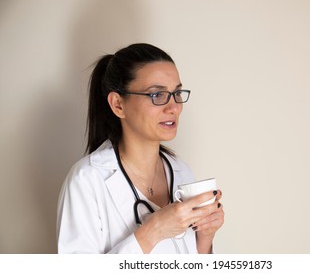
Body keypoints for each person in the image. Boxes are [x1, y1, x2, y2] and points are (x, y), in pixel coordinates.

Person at [56, 43, 224, 254]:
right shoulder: (87, 180)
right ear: (118, 104)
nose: (173, 107)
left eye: (177, 93)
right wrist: (154, 230)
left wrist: (206, 237)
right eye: (157, 95)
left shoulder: (181, 171)